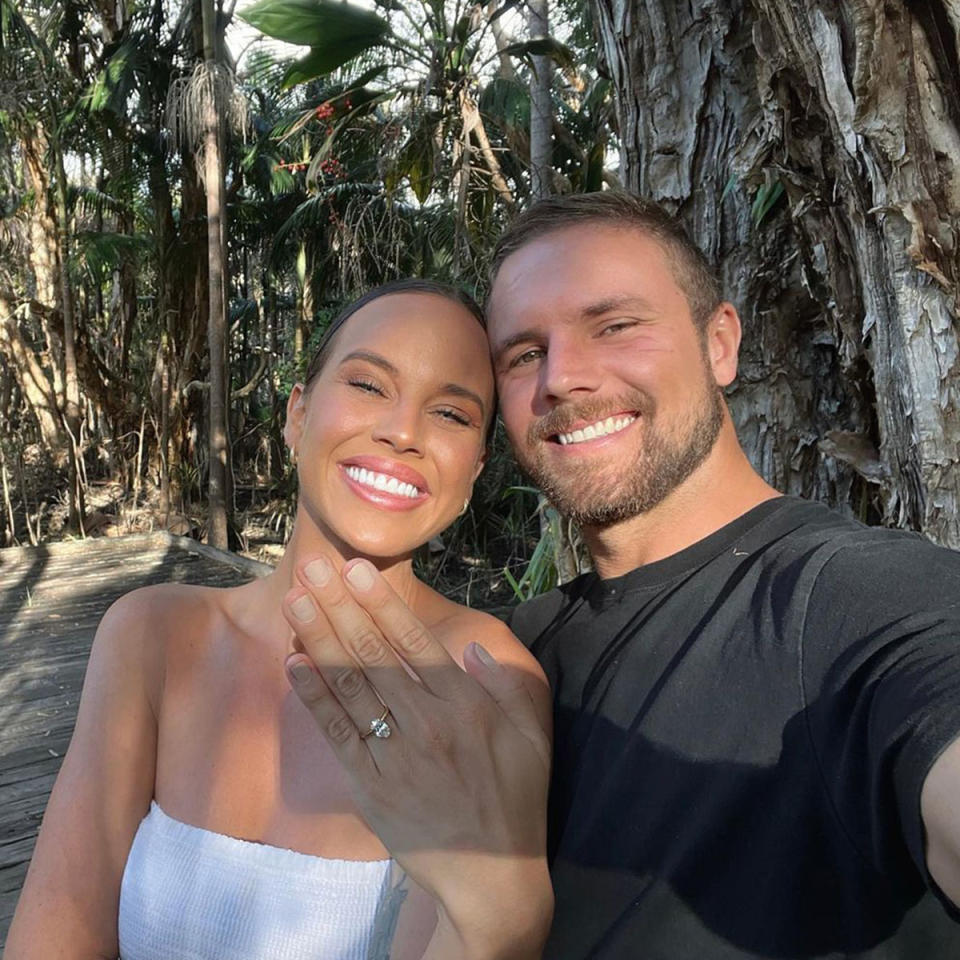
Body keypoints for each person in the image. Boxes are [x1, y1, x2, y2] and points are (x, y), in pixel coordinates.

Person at [278, 193, 960, 959]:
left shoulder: (855, 601)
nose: (564, 378)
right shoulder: (507, 657)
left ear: (720, 344)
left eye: (616, 326)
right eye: (525, 354)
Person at [3, 279, 552, 960]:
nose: (403, 431)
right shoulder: (154, 635)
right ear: (298, 415)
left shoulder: (482, 679)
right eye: (369, 385)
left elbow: (480, 927)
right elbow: (56, 930)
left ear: (473, 472)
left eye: (450, 414)